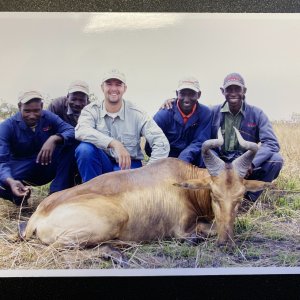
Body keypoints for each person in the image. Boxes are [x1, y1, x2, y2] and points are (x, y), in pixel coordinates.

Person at [75, 69, 170, 182]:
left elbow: (161, 142)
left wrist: (149, 171)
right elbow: (81, 130)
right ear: (102, 87)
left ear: (125, 88)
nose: (114, 89)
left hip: (128, 165)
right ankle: (91, 193)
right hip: (102, 163)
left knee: (124, 191)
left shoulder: (137, 113)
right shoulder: (91, 110)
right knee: (84, 149)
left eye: (118, 84)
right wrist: (114, 144)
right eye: (109, 84)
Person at [211, 72, 283, 201]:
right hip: (220, 165)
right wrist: (171, 102)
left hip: (245, 167)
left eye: (237, 89)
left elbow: (271, 143)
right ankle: (214, 195)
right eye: (229, 89)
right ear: (222, 91)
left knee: (276, 160)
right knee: (201, 153)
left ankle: (248, 199)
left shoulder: (257, 113)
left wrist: (252, 163)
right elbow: (195, 113)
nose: (233, 93)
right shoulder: (212, 112)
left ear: (244, 91)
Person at [0, 90, 77, 205]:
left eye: (36, 110)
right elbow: (1, 161)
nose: (32, 115)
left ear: (41, 106)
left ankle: (56, 195)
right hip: (22, 170)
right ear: (19, 107)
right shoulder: (7, 126)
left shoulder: (48, 117)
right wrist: (10, 181)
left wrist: (54, 138)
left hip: (48, 164)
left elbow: (71, 131)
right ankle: (18, 197)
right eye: (27, 111)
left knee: (74, 145)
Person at [145, 77, 211, 167]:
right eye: (182, 94)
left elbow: (200, 141)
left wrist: (183, 159)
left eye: (191, 94)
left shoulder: (205, 113)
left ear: (199, 95)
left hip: (192, 158)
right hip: (167, 158)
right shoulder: (164, 114)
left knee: (208, 156)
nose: (186, 99)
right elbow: (150, 146)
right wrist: (168, 162)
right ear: (177, 94)